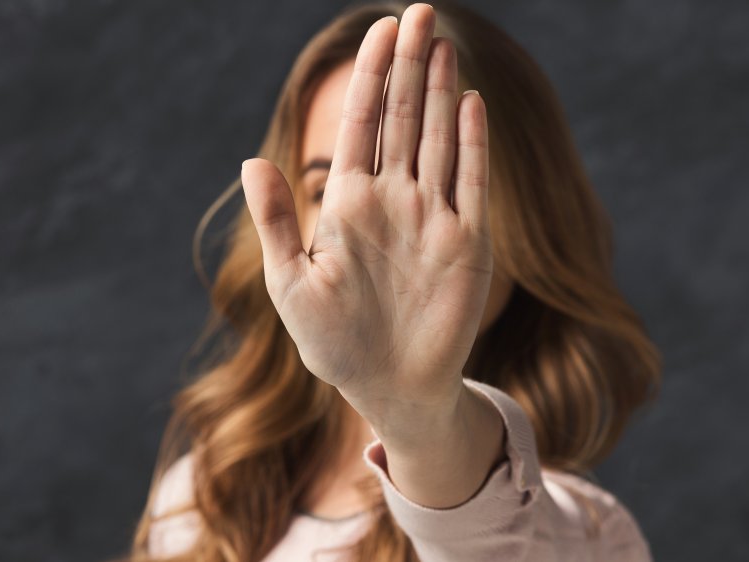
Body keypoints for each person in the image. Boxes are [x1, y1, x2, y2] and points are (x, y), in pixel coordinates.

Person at [126, 1, 662, 560]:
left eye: (434, 189)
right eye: (322, 191)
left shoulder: (583, 537)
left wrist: (415, 412)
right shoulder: (202, 495)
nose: (365, 234)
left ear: (534, 221)